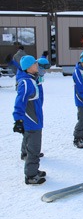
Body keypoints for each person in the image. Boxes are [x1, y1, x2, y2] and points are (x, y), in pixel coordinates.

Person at [13, 55, 46, 184]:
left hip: (35, 120)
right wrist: (18, 120)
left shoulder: (31, 79)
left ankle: (34, 170)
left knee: (34, 148)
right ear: (28, 67)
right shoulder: (26, 83)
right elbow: (20, 102)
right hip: (31, 121)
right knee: (33, 149)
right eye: (34, 64)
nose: (37, 65)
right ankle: (30, 176)